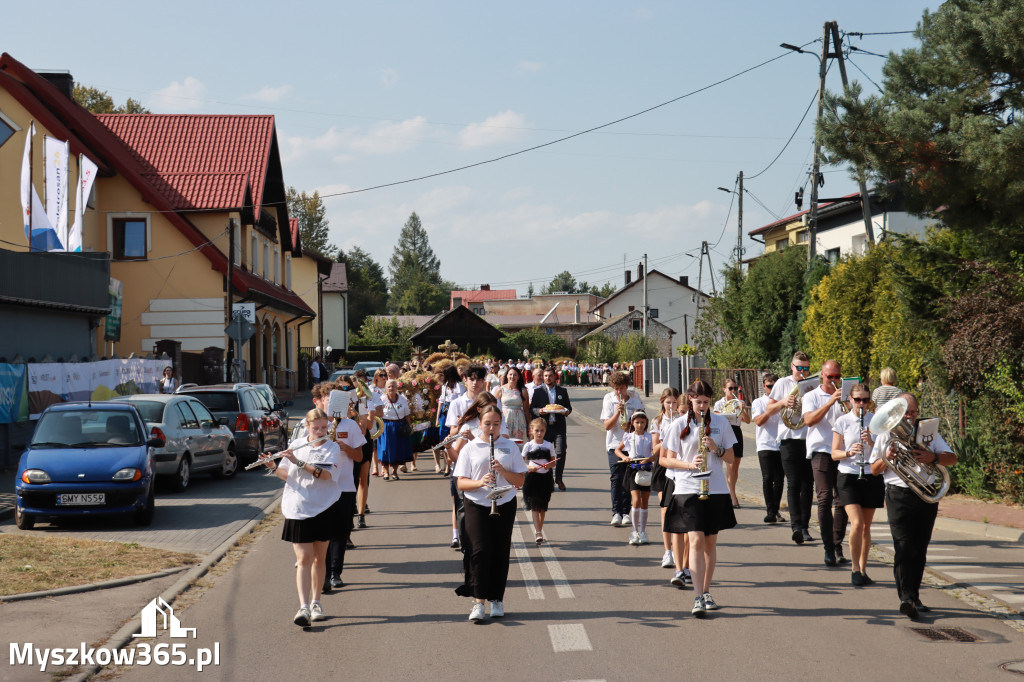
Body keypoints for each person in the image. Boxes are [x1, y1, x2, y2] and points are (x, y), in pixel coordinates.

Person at [870, 393, 957, 620]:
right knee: (903, 546)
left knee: (920, 548)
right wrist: (885, 457)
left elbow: (952, 458)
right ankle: (906, 599)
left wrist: (932, 457)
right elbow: (874, 469)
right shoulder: (886, 434)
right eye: (905, 412)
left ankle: (914, 597)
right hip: (898, 494)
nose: (909, 417)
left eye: (913, 412)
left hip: (925, 494)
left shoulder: (928, 433)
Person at [258, 408, 342, 626]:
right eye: (316, 428)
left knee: (318, 558)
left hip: (323, 507)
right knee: (303, 559)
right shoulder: (296, 446)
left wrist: (298, 462)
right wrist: (273, 467)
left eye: (324, 427)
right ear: (307, 427)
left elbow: (324, 475)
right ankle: (303, 607)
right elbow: (286, 476)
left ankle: (316, 602)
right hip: (297, 508)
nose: (321, 431)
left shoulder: (333, 448)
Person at [661, 380, 737, 618]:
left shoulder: (721, 422)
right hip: (687, 488)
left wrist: (716, 448)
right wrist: (687, 465)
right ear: (690, 400)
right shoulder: (678, 424)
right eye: (698, 402)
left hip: (715, 489)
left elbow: (732, 459)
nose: (702, 406)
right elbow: (665, 460)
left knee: (710, 543)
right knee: (694, 540)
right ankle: (696, 596)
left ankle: (706, 591)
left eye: (706, 402)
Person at [453, 405, 528, 621]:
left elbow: (521, 481)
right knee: (479, 550)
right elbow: (461, 482)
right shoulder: (470, 447)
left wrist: (503, 472)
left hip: (504, 501)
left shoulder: (509, 446)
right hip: (477, 503)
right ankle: (478, 602)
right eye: (487, 424)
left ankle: (497, 599)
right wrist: (480, 481)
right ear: (479, 424)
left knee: (500, 551)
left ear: (501, 423)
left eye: (496, 424)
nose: (491, 428)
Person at [831, 383, 882, 586]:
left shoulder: (876, 422)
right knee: (857, 523)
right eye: (858, 399)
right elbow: (834, 453)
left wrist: (871, 442)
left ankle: (863, 569)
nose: (862, 404)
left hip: (871, 474)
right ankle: (854, 568)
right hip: (848, 475)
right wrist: (849, 452)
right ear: (850, 400)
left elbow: (884, 451)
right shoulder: (842, 421)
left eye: (866, 400)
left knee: (866, 527)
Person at [763, 351, 815, 545]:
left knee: (808, 485)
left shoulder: (812, 383)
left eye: (806, 368)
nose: (802, 371)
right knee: (793, 484)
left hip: (808, 438)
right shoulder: (782, 384)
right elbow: (769, 409)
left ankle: (805, 525)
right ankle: (796, 527)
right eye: (799, 367)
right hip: (788, 439)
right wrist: (784, 402)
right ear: (792, 366)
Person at [802, 360, 849, 567]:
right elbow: (809, 420)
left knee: (842, 501)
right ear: (822, 375)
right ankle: (828, 547)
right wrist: (830, 402)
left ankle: (837, 544)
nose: (833, 381)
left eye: (837, 377)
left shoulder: (846, 395)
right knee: (824, 499)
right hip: (821, 451)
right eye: (829, 377)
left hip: (841, 452)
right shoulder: (811, 396)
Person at [652, 388, 690, 583]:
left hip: (686, 473)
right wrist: (666, 436)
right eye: (669, 403)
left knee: (687, 522)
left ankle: (685, 564)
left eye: (675, 404)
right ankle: (669, 552)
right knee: (667, 511)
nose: (672, 407)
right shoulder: (661, 422)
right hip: (666, 470)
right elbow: (658, 452)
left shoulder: (690, 424)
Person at [599, 371, 645, 524]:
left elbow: (642, 423)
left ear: (627, 387)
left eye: (622, 389)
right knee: (616, 479)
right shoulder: (609, 399)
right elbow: (607, 426)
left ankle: (626, 512)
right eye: (616, 389)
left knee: (629, 479)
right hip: (614, 444)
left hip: (631, 444)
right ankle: (616, 512)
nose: (619, 392)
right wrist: (618, 413)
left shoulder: (635, 399)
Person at [615, 410, 656, 546]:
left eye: (642, 422)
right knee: (636, 500)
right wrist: (624, 457)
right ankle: (634, 531)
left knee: (645, 501)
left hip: (646, 470)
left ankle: (643, 532)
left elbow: (655, 453)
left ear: (646, 423)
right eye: (637, 422)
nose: (639, 425)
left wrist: (650, 458)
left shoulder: (650, 437)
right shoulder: (628, 436)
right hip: (633, 469)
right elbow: (617, 450)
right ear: (632, 423)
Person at [529, 366, 573, 491]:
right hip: (544, 428)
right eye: (546, 376)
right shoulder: (538, 391)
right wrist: (540, 411)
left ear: (555, 377)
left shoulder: (562, 391)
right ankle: (545, 479)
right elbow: (532, 409)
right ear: (543, 377)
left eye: (550, 376)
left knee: (560, 452)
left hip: (559, 427)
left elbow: (568, 407)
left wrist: (566, 412)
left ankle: (558, 478)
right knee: (544, 454)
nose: (548, 378)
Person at [750, 373, 785, 524]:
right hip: (765, 444)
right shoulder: (758, 402)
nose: (771, 389)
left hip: (782, 443)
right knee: (767, 477)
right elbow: (758, 421)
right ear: (764, 386)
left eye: (774, 386)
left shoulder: (784, 401)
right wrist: (771, 409)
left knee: (779, 479)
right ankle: (770, 511)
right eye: (769, 386)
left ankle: (775, 510)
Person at [713, 379, 751, 508]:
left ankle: (731, 492)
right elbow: (716, 417)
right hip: (725, 431)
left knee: (735, 466)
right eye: (730, 388)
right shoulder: (719, 403)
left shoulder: (739, 402)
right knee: (729, 465)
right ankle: (732, 495)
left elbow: (747, 421)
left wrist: (743, 409)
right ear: (724, 389)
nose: (733, 391)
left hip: (736, 431)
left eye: (735, 388)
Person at [522, 418, 555, 544]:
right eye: (536, 430)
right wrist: (529, 467)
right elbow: (521, 462)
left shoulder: (548, 445)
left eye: (542, 430)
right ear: (531, 431)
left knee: (542, 507)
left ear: (545, 431)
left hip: (545, 479)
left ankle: (539, 530)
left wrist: (548, 466)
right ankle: (538, 532)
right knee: (535, 506)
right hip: (532, 478)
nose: (539, 433)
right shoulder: (528, 445)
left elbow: (553, 462)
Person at [378, 379, 412, 480]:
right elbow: (377, 413)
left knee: (397, 450)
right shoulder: (382, 399)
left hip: (399, 426)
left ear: (396, 388)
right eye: (389, 386)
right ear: (386, 388)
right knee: (385, 449)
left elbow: (407, 415)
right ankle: (385, 472)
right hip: (385, 427)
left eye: (393, 386)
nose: (391, 388)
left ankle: (394, 472)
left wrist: (409, 426)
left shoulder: (402, 399)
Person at [493, 365, 530, 442]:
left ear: (518, 377)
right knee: (504, 442)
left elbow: (526, 410)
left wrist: (529, 425)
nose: (512, 376)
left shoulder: (523, 390)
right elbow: (494, 407)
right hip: (505, 419)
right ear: (507, 376)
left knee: (519, 443)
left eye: (515, 375)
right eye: (510, 374)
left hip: (519, 420)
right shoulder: (501, 389)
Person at [435, 364, 461, 475]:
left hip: (454, 412)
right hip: (444, 413)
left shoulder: (458, 386)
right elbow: (441, 402)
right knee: (443, 438)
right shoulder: (444, 386)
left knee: (453, 437)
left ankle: (450, 464)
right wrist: (437, 418)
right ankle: (446, 463)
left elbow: (461, 401)